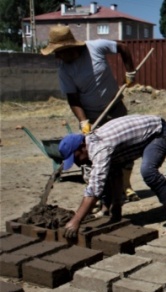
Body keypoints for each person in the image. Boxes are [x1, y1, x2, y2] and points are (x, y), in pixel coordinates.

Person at [41, 25, 140, 210]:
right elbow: (73, 98)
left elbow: (123, 47)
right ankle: (101, 196)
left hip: (115, 108)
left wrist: (130, 71)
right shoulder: (64, 70)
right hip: (92, 116)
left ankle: (125, 187)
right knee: (94, 157)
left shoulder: (96, 47)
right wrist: (83, 121)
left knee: (125, 151)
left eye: (59, 52)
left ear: (69, 49)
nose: (57, 57)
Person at [58, 114, 166, 238]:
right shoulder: (92, 143)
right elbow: (116, 172)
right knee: (111, 171)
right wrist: (117, 208)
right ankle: (113, 210)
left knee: (149, 172)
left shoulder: (99, 148)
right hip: (141, 136)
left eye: (76, 158)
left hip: (158, 132)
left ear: (81, 147)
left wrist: (76, 220)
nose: (77, 163)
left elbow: (94, 189)